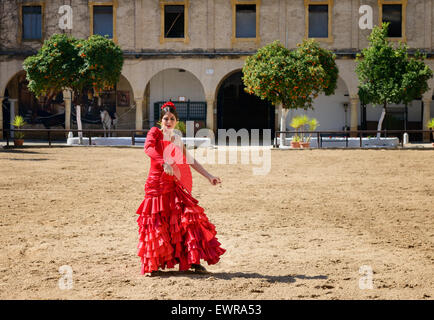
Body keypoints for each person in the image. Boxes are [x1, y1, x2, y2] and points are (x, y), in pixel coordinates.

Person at [136, 101, 226, 276]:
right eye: (165, 119)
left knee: (187, 220)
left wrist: (209, 176)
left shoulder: (176, 139)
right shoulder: (154, 133)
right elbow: (148, 148)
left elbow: (190, 160)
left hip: (173, 185)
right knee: (157, 224)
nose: (168, 121)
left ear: (176, 121)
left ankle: (191, 261)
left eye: (171, 119)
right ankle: (153, 265)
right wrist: (164, 162)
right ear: (160, 121)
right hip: (156, 186)